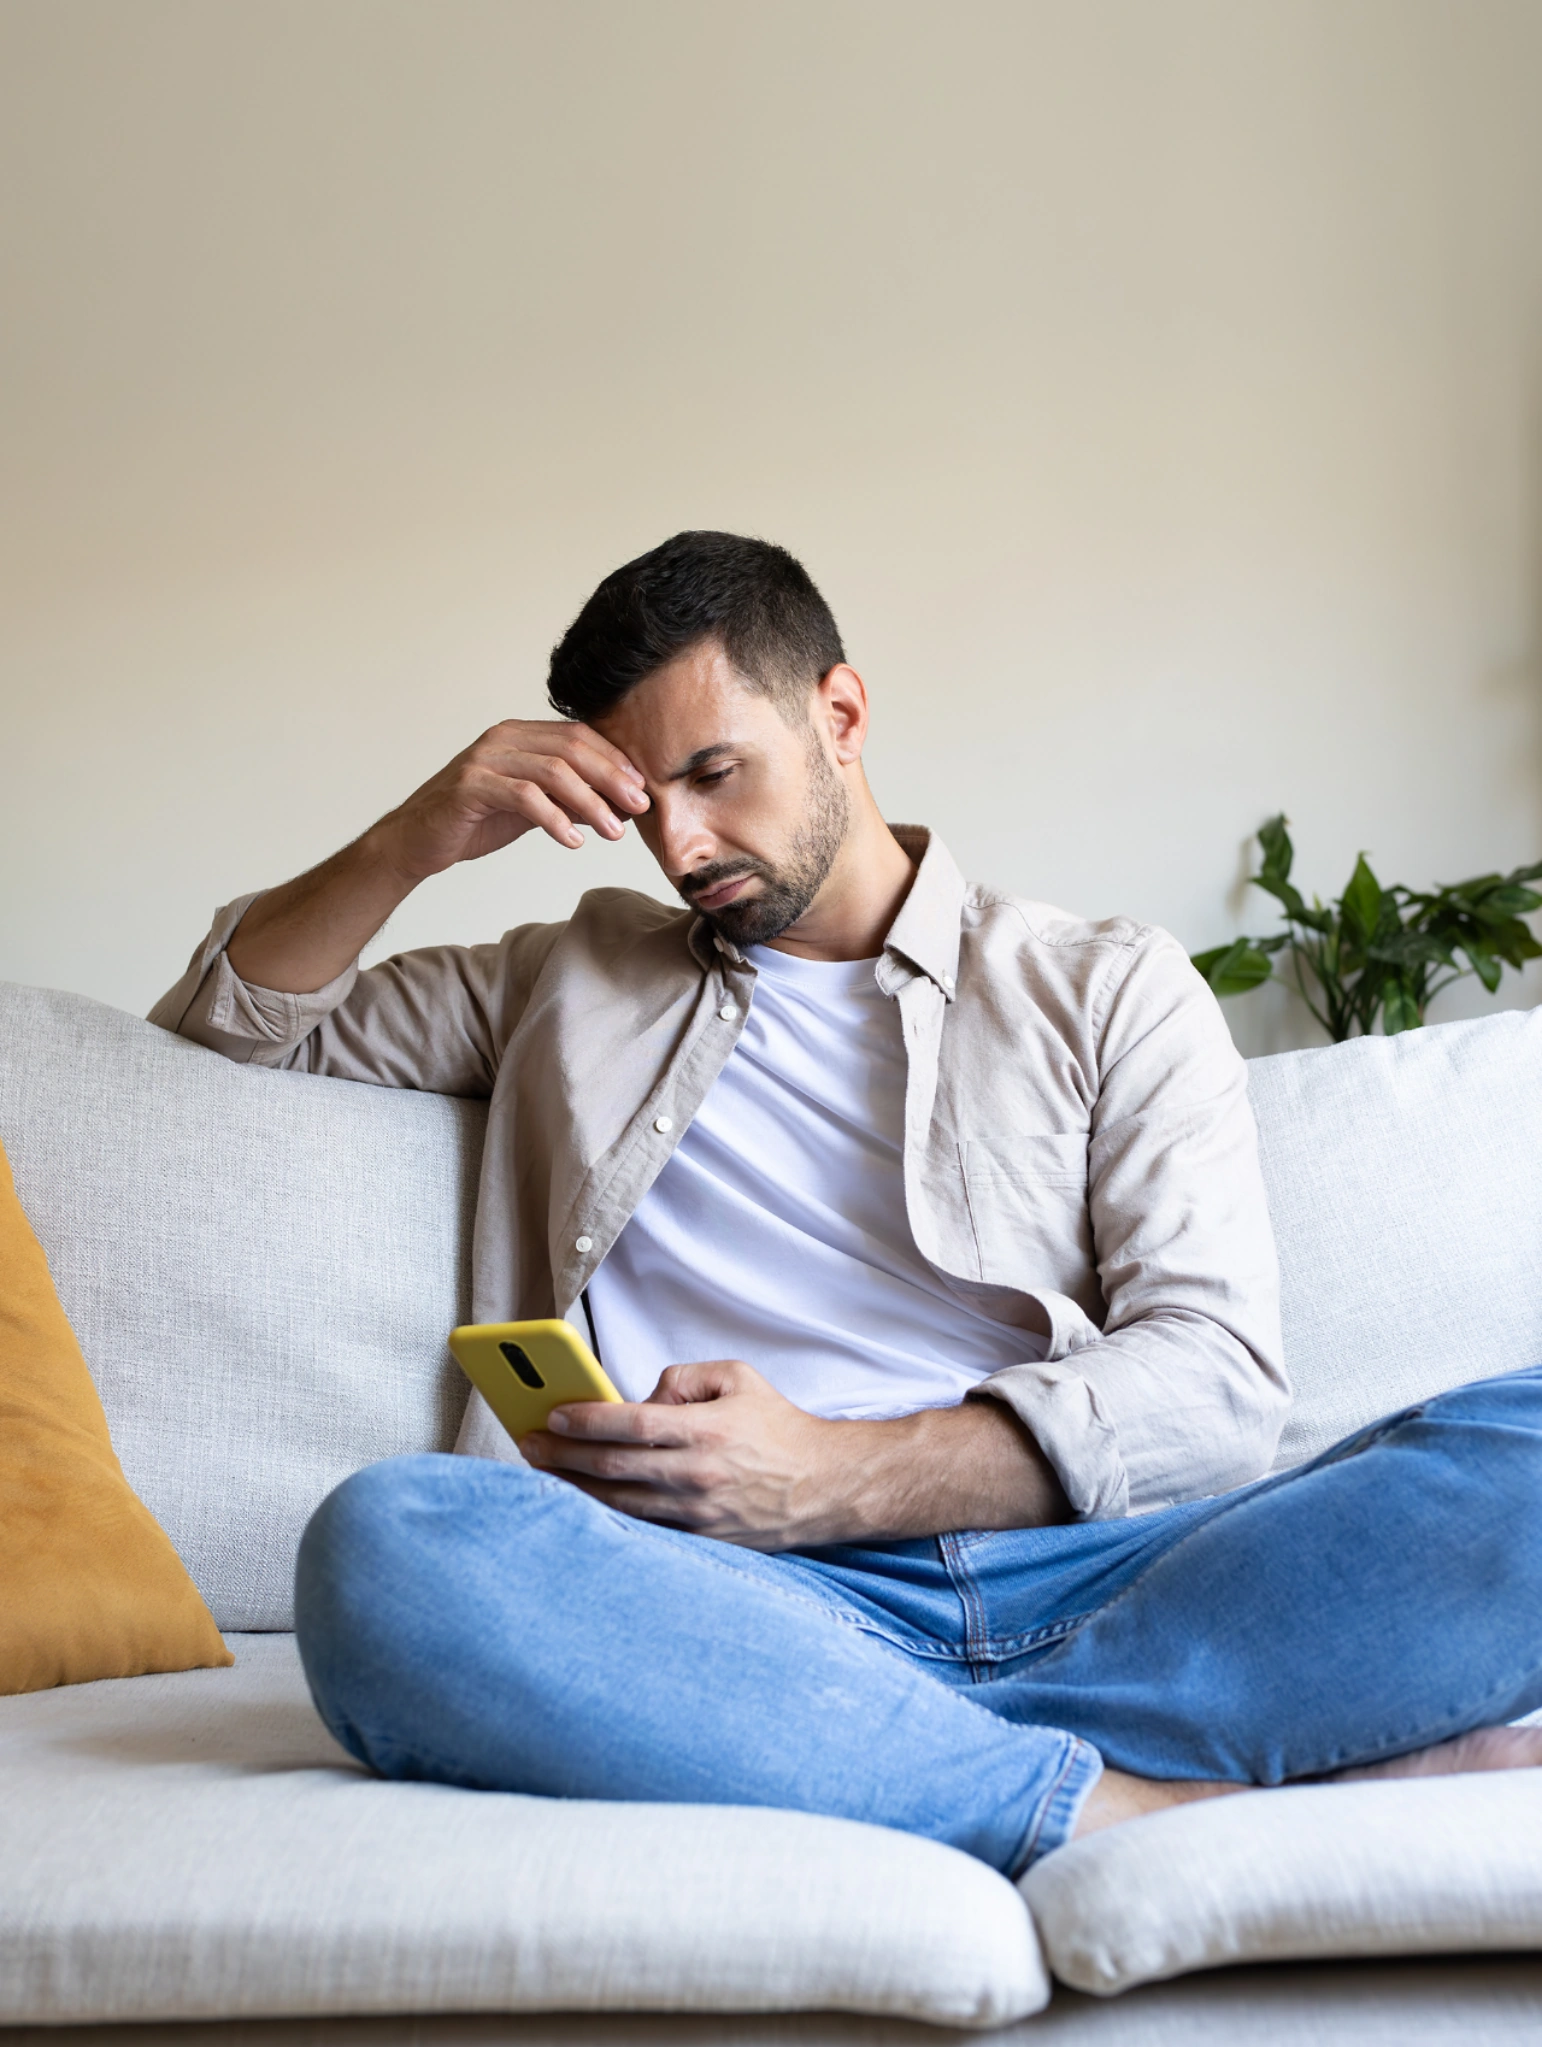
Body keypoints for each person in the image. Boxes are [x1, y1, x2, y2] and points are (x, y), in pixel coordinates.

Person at [151, 530, 1542, 1874]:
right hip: (741, 1617)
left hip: (1111, 1588)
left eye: (714, 772)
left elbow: (1214, 1380)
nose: (684, 845)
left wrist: (823, 1474)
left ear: (841, 712)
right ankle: (1115, 1797)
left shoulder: (1101, 983)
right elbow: (233, 1022)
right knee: (388, 1543)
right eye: (647, 807)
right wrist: (419, 831)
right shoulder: (556, 979)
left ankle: (899, 1763)